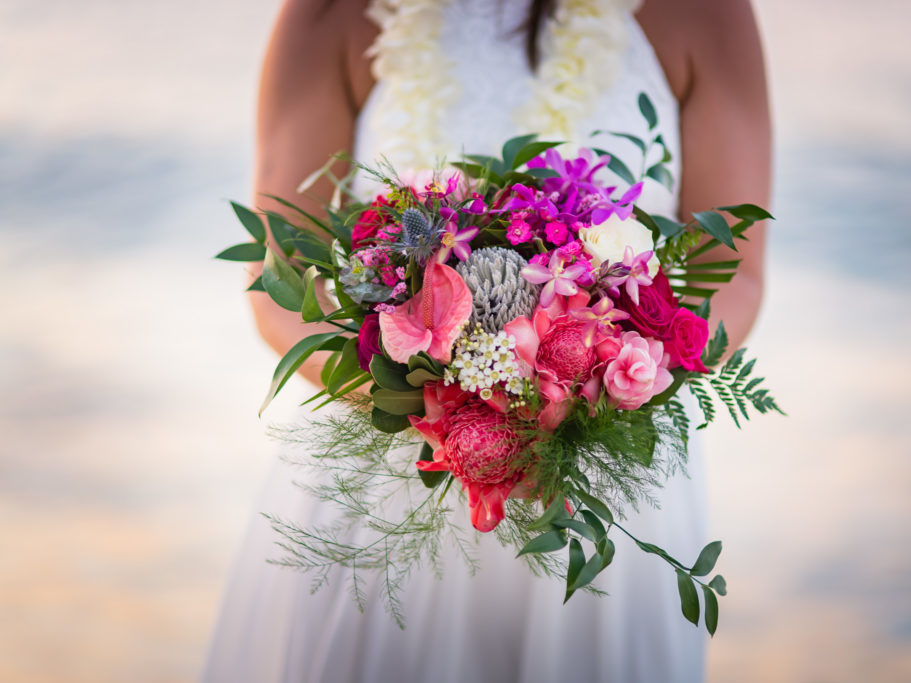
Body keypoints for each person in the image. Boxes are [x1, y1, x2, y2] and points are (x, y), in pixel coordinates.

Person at [204, 0, 770, 681]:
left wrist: (598, 391)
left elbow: (733, 277)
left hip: (608, 480)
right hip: (392, 478)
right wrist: (439, 405)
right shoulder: (330, 12)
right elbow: (278, 278)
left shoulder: (708, 13)